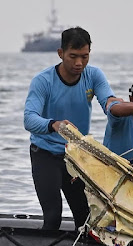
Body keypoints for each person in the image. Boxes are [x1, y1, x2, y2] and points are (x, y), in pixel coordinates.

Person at [24, 27, 120, 230]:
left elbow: (108, 103)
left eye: (84, 57)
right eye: (73, 56)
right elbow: (29, 120)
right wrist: (54, 125)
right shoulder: (43, 81)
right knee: (53, 217)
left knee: (87, 220)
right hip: (45, 154)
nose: (79, 63)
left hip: (76, 157)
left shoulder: (93, 75)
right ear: (61, 54)